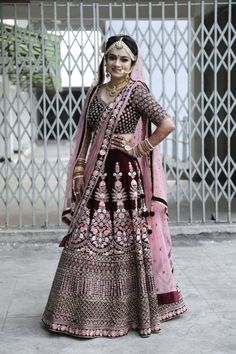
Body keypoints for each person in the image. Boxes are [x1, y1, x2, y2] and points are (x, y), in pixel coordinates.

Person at [42, 34, 187, 338]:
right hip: (95, 175)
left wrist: (139, 147)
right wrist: (79, 172)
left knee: (123, 243)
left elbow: (167, 124)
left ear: (133, 63)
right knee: (85, 238)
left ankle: (125, 312)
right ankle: (80, 312)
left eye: (124, 59)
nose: (117, 63)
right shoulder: (95, 92)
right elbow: (85, 136)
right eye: (112, 57)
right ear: (105, 59)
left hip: (123, 178)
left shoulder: (136, 92)